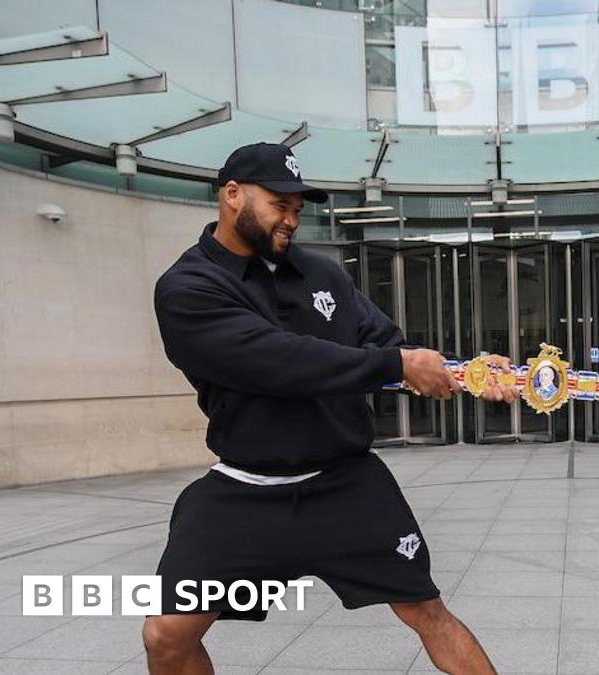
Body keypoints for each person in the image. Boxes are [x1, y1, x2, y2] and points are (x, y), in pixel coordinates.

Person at [144, 142, 518, 674]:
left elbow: (387, 345)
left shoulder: (323, 275)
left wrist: (469, 374)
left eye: (298, 208)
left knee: (427, 610)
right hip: (245, 490)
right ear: (232, 195)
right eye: (279, 204)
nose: (292, 220)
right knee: (166, 633)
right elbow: (280, 362)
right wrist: (396, 364)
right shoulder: (189, 288)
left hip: (345, 482)